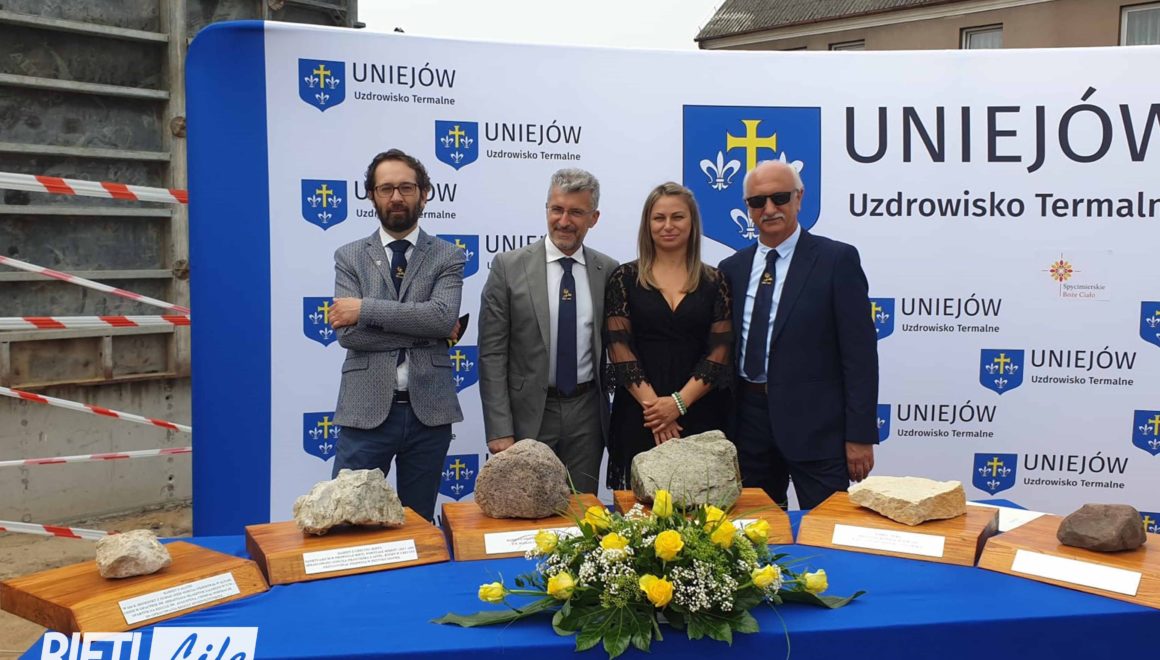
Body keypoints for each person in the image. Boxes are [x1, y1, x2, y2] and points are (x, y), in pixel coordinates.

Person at [717, 160, 878, 510]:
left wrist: (860, 435)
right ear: (747, 207)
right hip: (748, 426)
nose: (769, 209)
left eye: (779, 197)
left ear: (799, 197)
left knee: (826, 529)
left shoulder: (836, 260)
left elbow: (860, 356)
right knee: (754, 531)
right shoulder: (732, 269)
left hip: (818, 429)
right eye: (758, 201)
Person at [328, 149, 465, 521]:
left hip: (429, 415)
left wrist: (365, 309)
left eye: (406, 187)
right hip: (365, 413)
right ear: (371, 195)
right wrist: (426, 332)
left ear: (424, 193)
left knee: (418, 523)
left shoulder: (448, 256)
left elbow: (441, 319)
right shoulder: (349, 256)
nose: (396, 197)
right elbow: (350, 336)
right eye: (386, 188)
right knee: (347, 520)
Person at [478, 168, 618, 493]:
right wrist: (499, 428)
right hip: (527, 416)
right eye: (557, 209)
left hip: (587, 415)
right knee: (527, 509)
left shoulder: (608, 270)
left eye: (576, 212)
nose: (564, 221)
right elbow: (492, 354)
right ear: (546, 209)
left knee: (583, 510)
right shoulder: (508, 267)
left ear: (594, 218)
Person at [603, 182, 733, 489]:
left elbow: (720, 350)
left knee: (703, 506)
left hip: (699, 411)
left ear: (692, 223)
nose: (668, 225)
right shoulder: (624, 278)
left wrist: (677, 404)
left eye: (678, 217)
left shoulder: (716, 280)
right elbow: (618, 346)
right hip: (640, 414)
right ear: (647, 224)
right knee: (639, 509)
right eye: (659, 218)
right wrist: (656, 410)